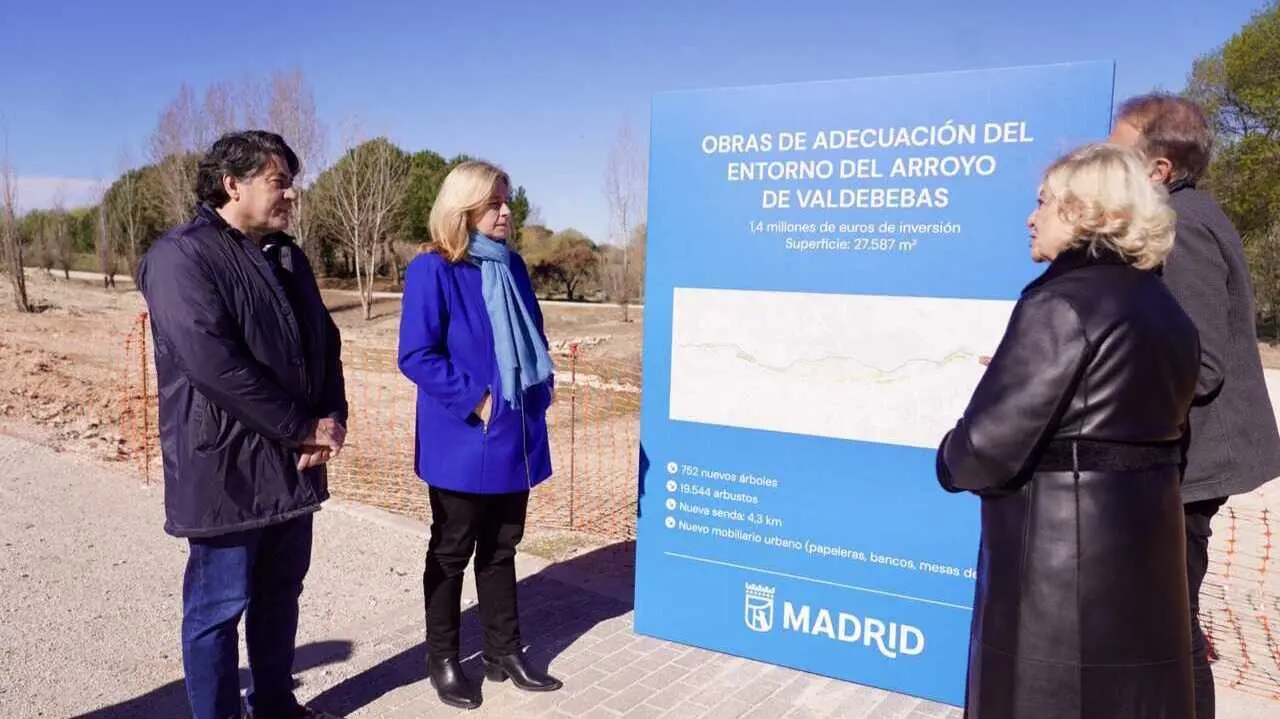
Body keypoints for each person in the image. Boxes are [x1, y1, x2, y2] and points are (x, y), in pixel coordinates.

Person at [937, 143, 1215, 719]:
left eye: (1043, 202)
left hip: (1057, 584)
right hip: (1145, 572)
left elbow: (983, 450)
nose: (1030, 218)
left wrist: (947, 455)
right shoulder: (1167, 310)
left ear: (1082, 210)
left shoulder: (1059, 305)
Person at [136, 130, 348, 719]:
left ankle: (276, 705)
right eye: (280, 182)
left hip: (292, 464)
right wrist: (300, 426)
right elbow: (214, 364)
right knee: (218, 610)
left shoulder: (287, 257)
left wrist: (331, 417)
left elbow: (326, 344)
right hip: (224, 470)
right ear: (233, 184)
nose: (291, 195)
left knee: (281, 595)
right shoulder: (181, 257)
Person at [1109, 93, 1280, 719]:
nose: (1108, 165)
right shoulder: (1185, 214)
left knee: (1168, 626)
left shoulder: (1181, 225)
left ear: (1158, 169)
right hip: (1186, 459)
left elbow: (1197, 364)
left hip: (1190, 466)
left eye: (1119, 153)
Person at [397, 159, 562, 710]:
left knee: (501, 548)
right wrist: (478, 399)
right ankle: (443, 659)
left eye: (506, 201)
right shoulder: (434, 269)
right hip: (464, 436)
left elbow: (532, 336)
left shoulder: (512, 267)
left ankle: (503, 652)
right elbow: (416, 354)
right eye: (493, 203)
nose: (506, 211)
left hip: (515, 432)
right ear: (463, 209)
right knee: (451, 552)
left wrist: (539, 387)